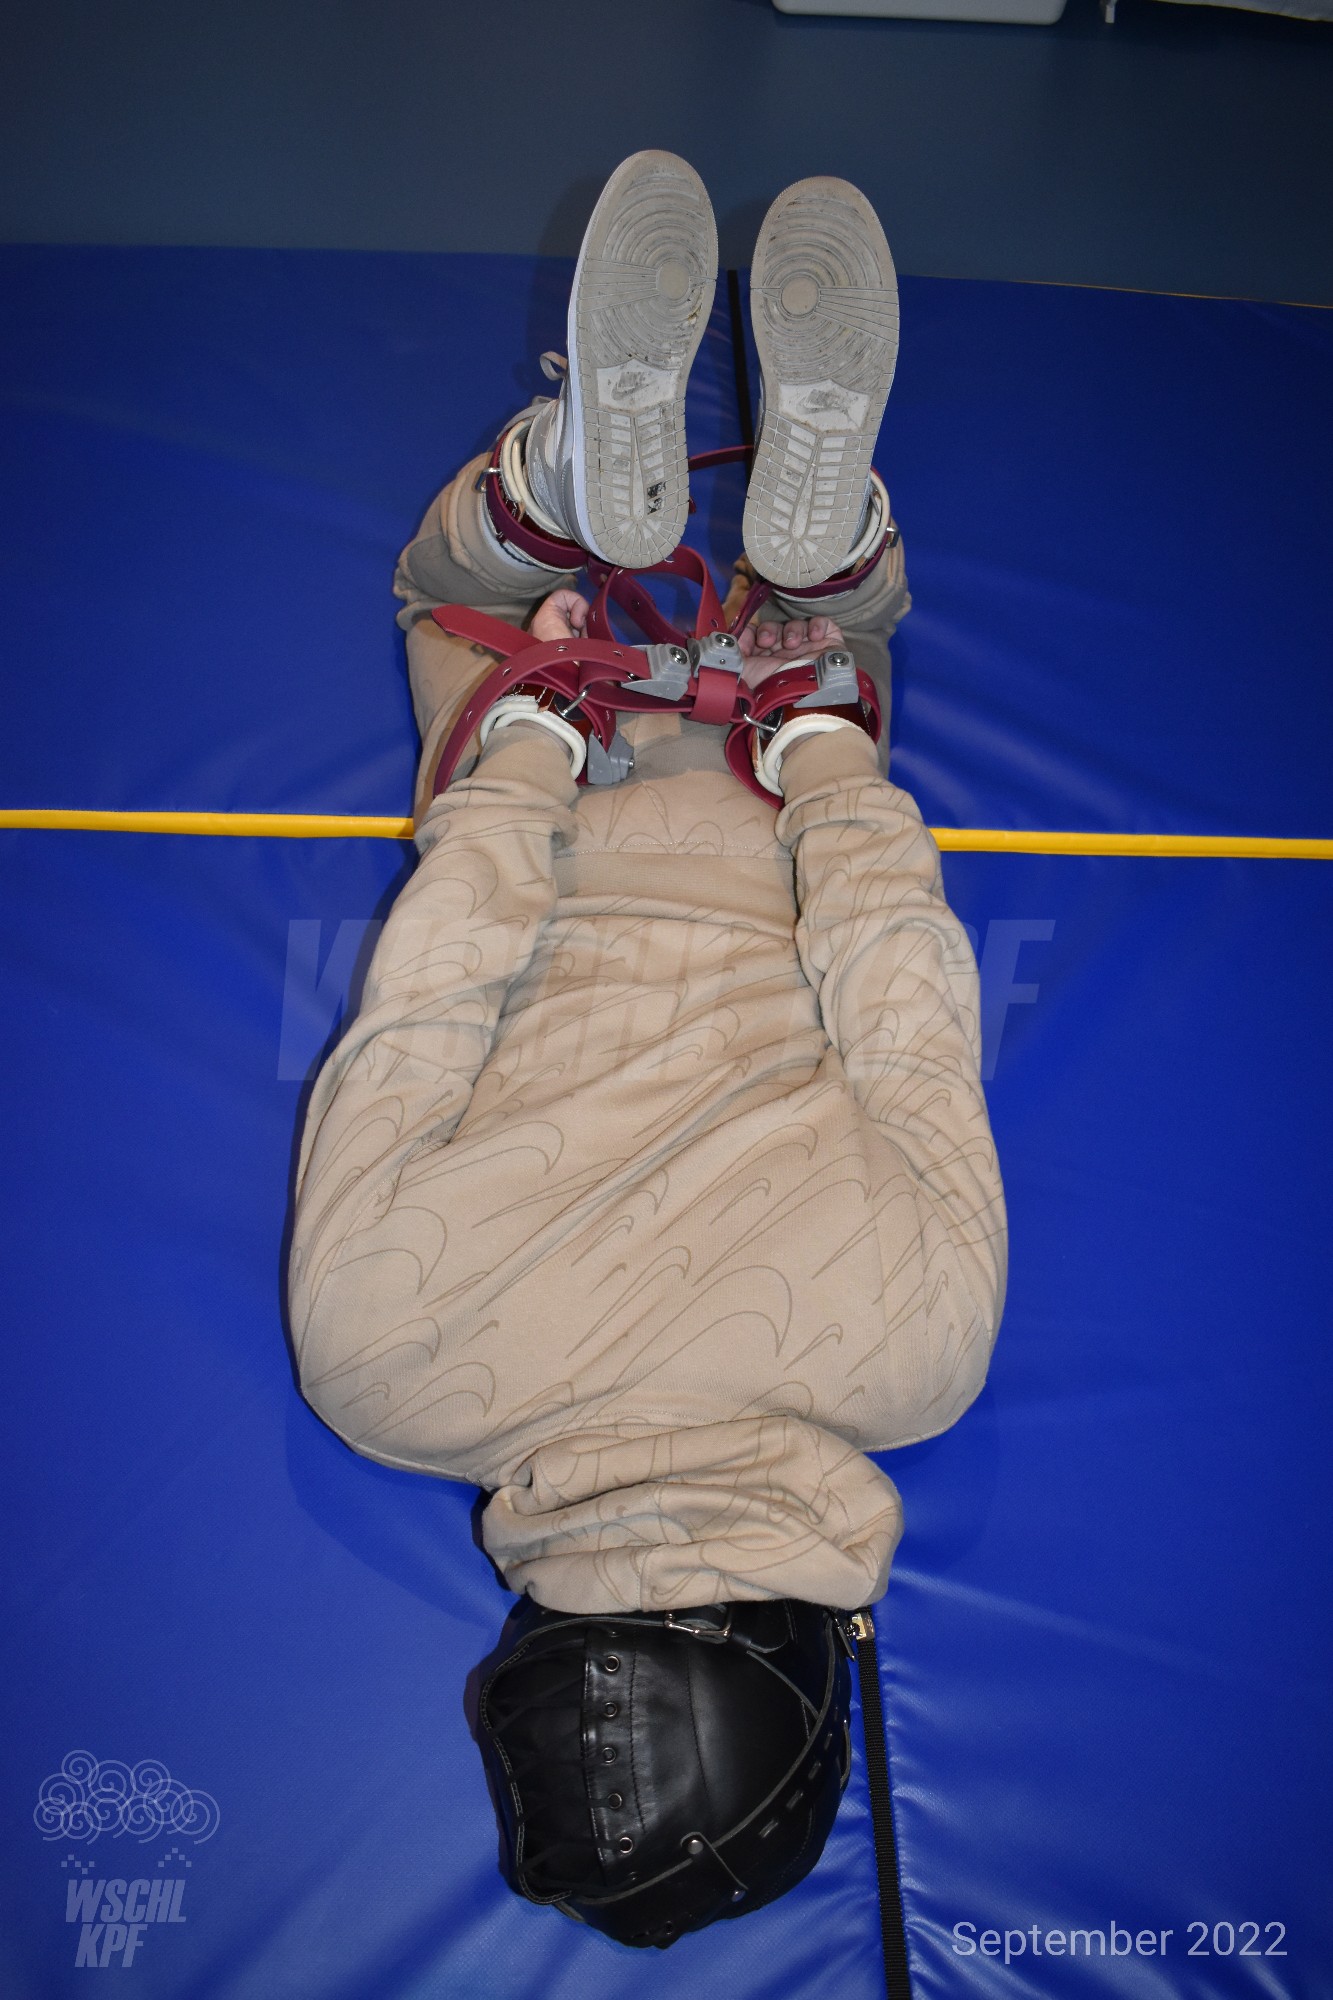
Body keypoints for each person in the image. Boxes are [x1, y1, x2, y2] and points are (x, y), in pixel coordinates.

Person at [287, 152, 1007, 1949]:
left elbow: (906, 997)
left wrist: (820, 740)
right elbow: (424, 1000)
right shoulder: (380, 1375)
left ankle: (824, 578)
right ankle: (545, 512)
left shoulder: (922, 1361)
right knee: (442, 590)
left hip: (775, 811)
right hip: (561, 796)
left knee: (845, 635)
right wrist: (531, 733)